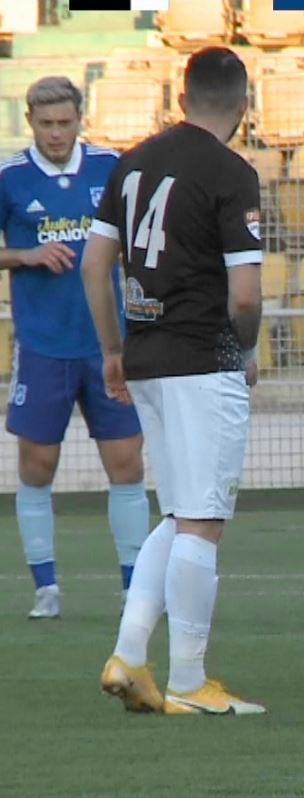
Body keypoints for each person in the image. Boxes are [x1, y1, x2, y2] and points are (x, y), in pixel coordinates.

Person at [84, 46, 266, 715]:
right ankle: (190, 681)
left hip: (147, 357)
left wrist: (112, 349)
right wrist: (243, 349)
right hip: (201, 359)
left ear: (182, 98)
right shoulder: (231, 173)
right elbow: (244, 296)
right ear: (243, 106)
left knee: (179, 510)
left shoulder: (130, 162)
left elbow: (93, 264)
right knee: (202, 521)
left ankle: (130, 654)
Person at [0, 76, 146, 619]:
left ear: (80, 118)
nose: (56, 133)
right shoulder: (10, 178)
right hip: (42, 345)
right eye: (46, 124)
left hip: (108, 344)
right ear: (30, 123)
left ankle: (134, 586)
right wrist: (25, 256)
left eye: (65, 123)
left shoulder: (111, 167)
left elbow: (139, 240)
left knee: (126, 462)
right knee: (37, 464)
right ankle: (46, 587)